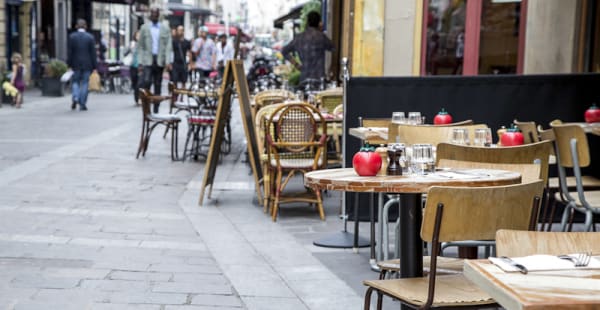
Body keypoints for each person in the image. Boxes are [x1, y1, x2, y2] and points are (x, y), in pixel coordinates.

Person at [281, 11, 333, 84]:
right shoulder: (321, 37)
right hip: (319, 78)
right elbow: (333, 48)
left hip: (304, 77)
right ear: (319, 22)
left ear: (308, 22)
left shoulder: (299, 38)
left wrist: (296, 64)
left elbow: (284, 51)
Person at [138, 7, 173, 113]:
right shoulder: (144, 28)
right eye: (152, 13)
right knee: (147, 81)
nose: (154, 15)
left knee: (158, 84)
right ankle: (146, 105)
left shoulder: (165, 28)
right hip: (148, 59)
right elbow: (140, 46)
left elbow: (168, 46)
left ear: (158, 15)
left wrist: (167, 61)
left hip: (159, 60)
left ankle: (156, 108)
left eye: (156, 14)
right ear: (150, 15)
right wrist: (140, 61)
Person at [67, 19, 97, 111]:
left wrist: (69, 64)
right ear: (85, 26)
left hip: (75, 64)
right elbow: (93, 53)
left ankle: (75, 97)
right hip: (87, 64)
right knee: (85, 83)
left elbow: (70, 52)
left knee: (75, 82)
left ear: (76, 26)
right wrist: (95, 66)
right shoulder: (90, 37)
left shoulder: (72, 37)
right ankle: (82, 103)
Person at [129, 30, 140, 105]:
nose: (138, 37)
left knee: (139, 84)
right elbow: (130, 52)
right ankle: (136, 97)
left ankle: (138, 98)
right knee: (134, 83)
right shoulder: (133, 43)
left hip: (141, 66)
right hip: (133, 65)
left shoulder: (144, 44)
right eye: (137, 35)